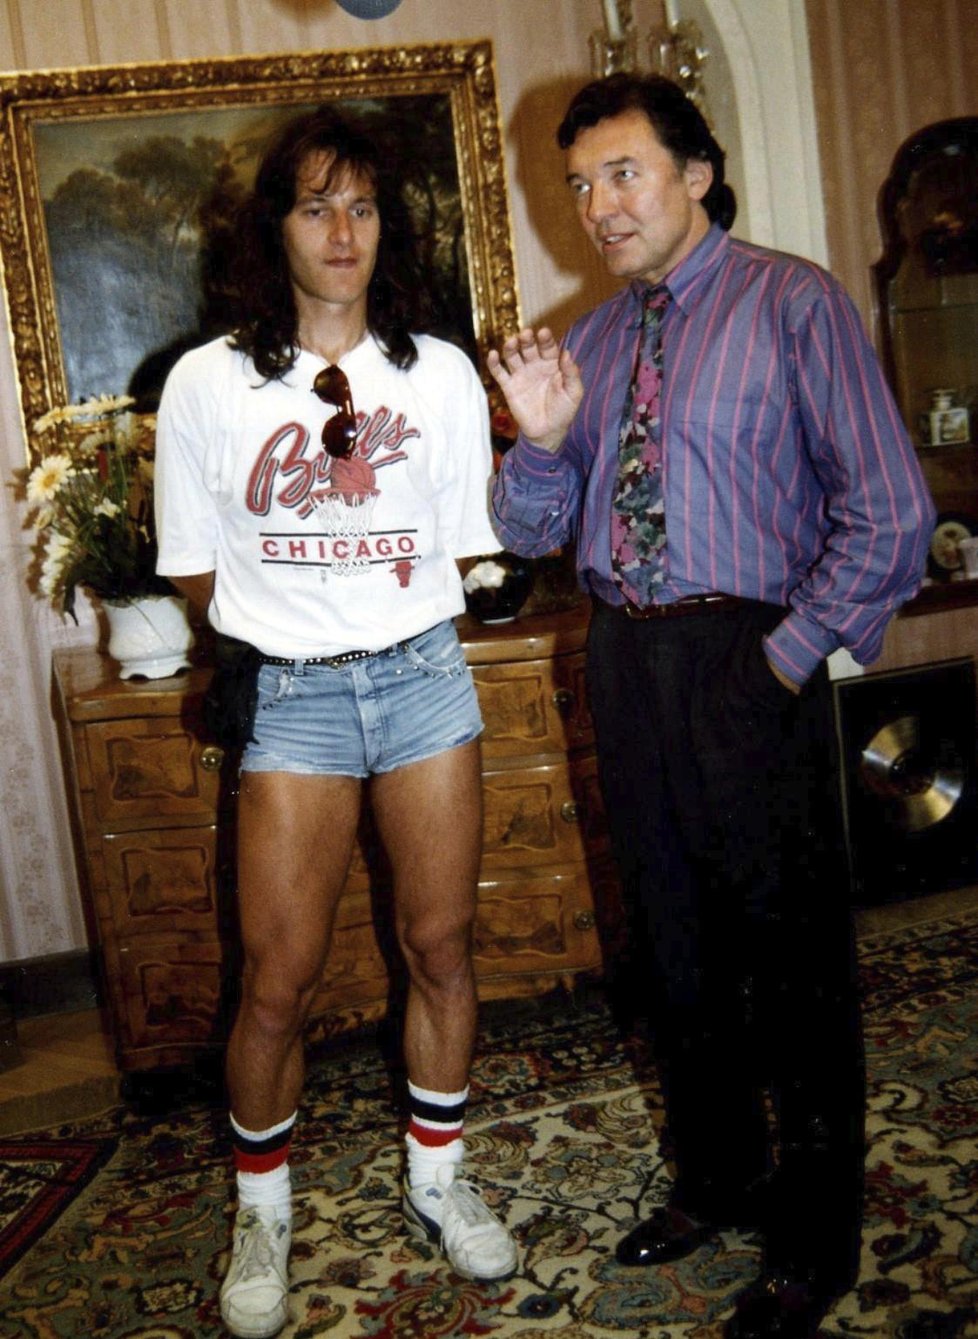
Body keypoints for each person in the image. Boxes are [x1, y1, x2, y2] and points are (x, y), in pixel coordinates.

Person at [488, 73, 935, 1339]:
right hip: (625, 662)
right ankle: (718, 1176)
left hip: (751, 654)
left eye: (623, 173)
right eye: (580, 185)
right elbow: (527, 533)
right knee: (673, 950)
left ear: (696, 175)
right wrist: (537, 441)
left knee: (791, 963)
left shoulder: (797, 303)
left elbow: (890, 511)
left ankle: (816, 1236)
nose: (598, 206)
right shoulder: (587, 343)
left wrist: (783, 659)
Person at [155, 105, 517, 1339]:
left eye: (362, 207)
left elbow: (465, 545)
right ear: (276, 228)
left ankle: (439, 1179)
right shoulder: (209, 383)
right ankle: (263, 1212)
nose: (343, 231)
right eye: (317, 207)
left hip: (424, 683)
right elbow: (192, 568)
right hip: (294, 700)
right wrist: (296, 619)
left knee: (441, 946)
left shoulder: (440, 373)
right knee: (279, 981)